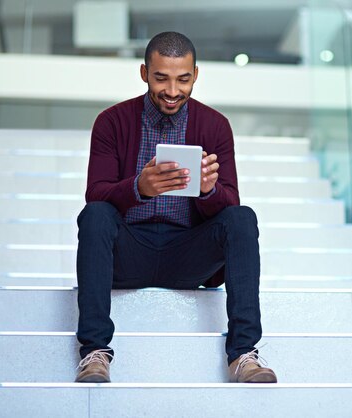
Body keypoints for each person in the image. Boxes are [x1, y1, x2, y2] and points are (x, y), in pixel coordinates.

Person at [74, 31, 276, 384]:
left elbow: (230, 203)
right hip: (129, 251)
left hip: (187, 255)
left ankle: (243, 353)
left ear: (195, 75)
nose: (172, 90)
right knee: (95, 215)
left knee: (242, 218)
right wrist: (139, 187)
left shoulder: (215, 126)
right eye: (161, 78)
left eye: (183, 79)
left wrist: (208, 191)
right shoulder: (111, 121)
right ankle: (95, 351)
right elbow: (96, 193)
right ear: (143, 73)